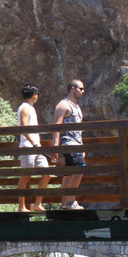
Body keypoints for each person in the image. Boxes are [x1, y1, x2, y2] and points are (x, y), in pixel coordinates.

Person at [16, 85, 51, 213]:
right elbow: (24, 129)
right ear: (34, 95)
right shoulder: (24, 108)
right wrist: (34, 144)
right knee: (25, 176)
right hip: (28, 146)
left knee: (47, 174)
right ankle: (21, 207)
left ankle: (37, 204)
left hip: (37, 147)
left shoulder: (30, 108)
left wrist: (37, 145)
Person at [53, 79, 86, 210]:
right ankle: (71, 201)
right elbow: (57, 126)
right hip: (69, 143)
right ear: (73, 88)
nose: (83, 91)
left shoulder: (77, 107)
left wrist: (82, 146)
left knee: (68, 175)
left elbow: (79, 129)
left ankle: (64, 204)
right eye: (81, 88)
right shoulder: (63, 105)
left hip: (77, 144)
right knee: (80, 169)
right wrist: (55, 146)